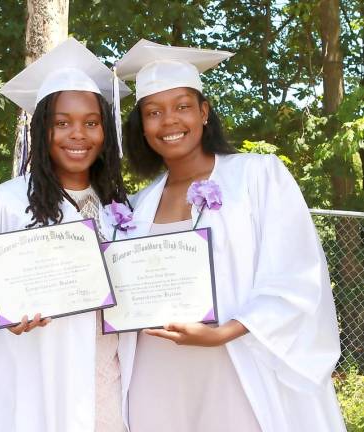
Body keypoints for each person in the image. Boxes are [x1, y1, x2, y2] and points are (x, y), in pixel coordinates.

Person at [116, 39, 346, 432]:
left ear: (204, 112)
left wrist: (224, 333)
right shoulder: (134, 206)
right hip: (155, 371)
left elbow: (296, 272)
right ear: (142, 125)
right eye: (153, 112)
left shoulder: (258, 176)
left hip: (238, 362)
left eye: (183, 107)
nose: (169, 121)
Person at [0, 37, 136, 432]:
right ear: (42, 129)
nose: (78, 134)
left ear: (106, 131)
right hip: (32, 373)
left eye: (91, 123)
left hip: (105, 373)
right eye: (62, 123)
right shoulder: (5, 201)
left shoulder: (121, 208)